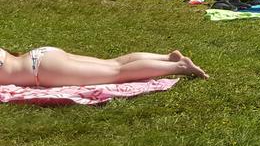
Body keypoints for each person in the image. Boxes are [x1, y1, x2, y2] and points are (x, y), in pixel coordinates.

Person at [0, 47, 207, 87]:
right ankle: (166, 58)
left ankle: (179, 66)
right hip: (42, 54)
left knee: (116, 73)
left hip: (42, 70)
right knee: (113, 64)